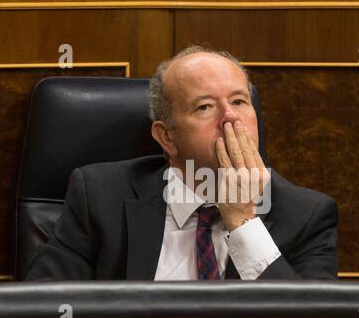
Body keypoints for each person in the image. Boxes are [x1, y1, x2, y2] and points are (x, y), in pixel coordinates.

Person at [25, 47, 339, 280]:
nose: (230, 116)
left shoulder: (306, 216)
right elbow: (42, 312)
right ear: (167, 138)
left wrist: (243, 223)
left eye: (240, 101)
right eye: (205, 107)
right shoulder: (99, 196)